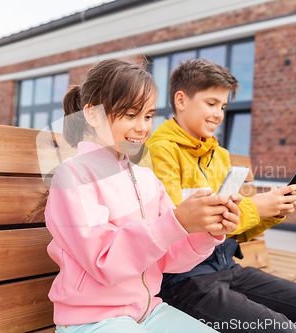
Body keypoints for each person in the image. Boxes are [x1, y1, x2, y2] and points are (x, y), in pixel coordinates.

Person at [146, 59, 296, 333]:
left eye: (223, 106)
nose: (219, 114)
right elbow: (181, 227)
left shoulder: (218, 154)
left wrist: (273, 210)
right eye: (211, 103)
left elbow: (235, 232)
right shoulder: (159, 151)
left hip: (227, 266)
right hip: (183, 279)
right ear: (181, 100)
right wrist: (256, 206)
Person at [44, 58, 244, 333]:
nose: (142, 127)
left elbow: (170, 259)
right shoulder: (72, 177)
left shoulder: (147, 179)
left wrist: (205, 230)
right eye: (130, 114)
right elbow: (104, 261)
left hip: (148, 312)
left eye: (148, 115)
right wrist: (176, 222)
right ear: (92, 114)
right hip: (91, 320)